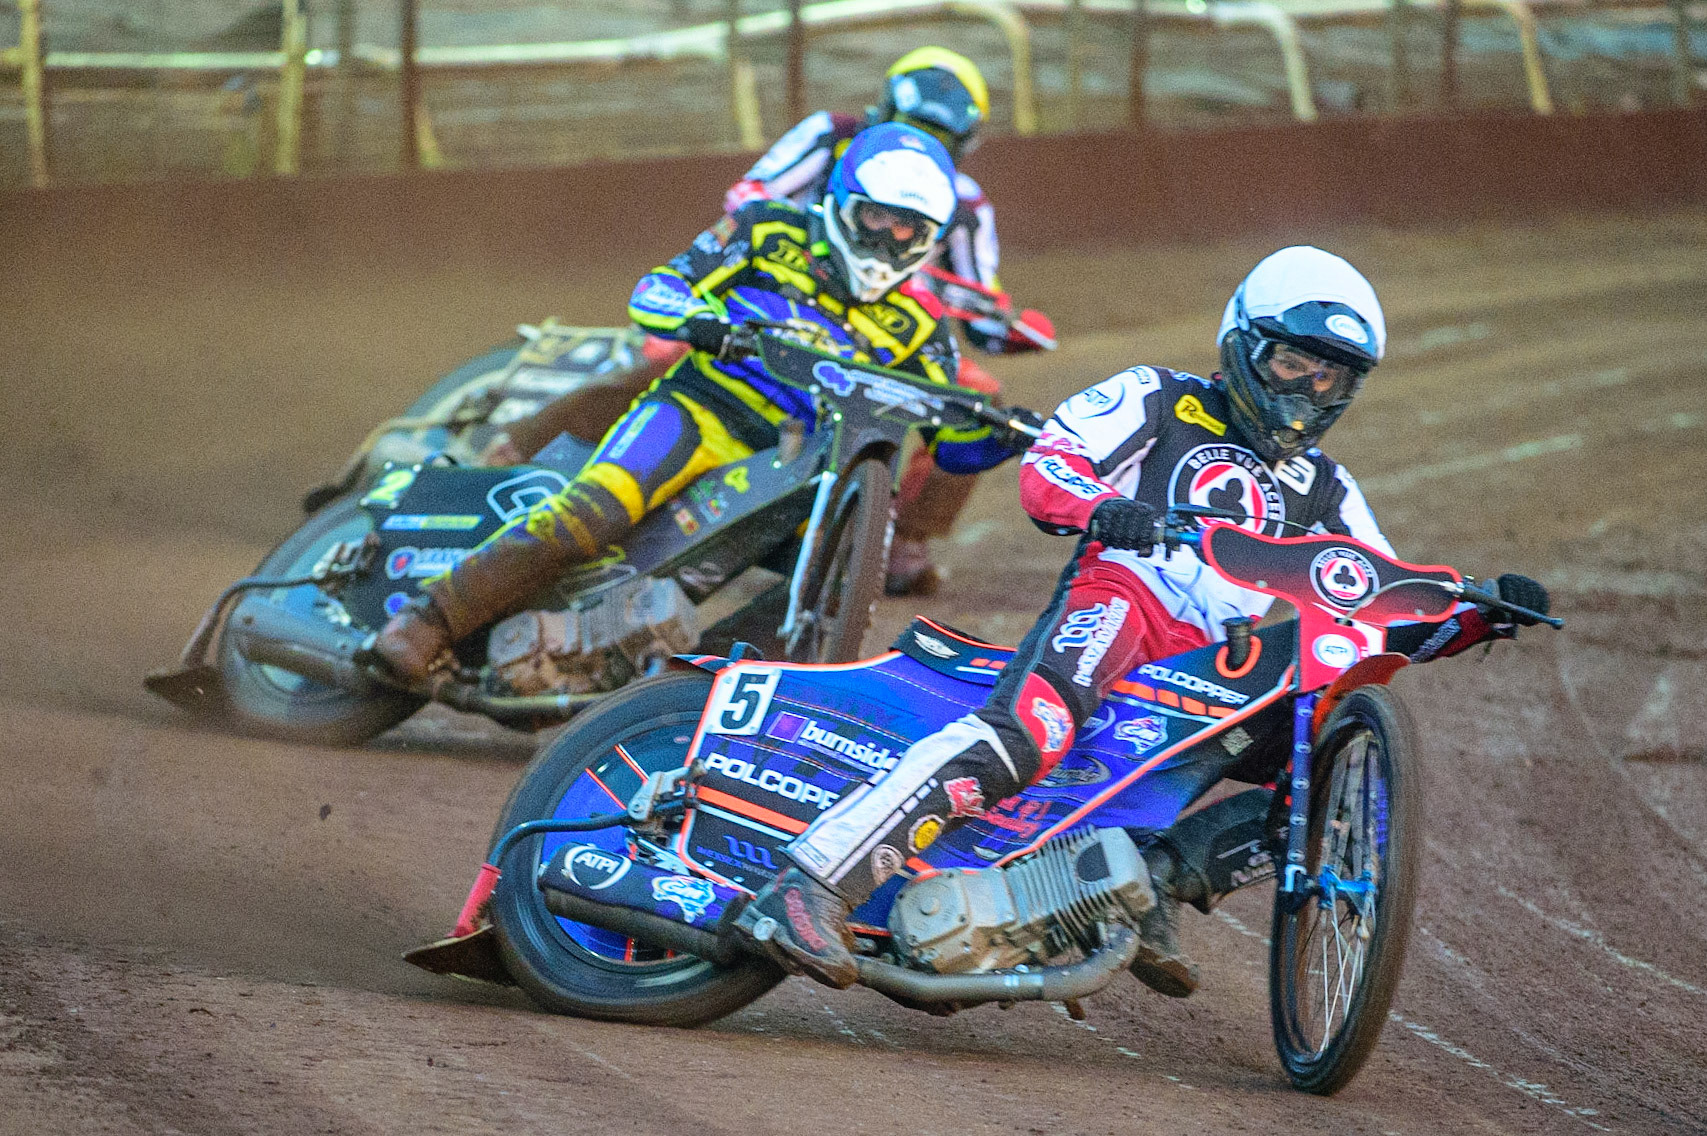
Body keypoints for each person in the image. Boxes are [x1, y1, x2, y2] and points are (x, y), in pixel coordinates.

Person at [738, 246, 1552, 993]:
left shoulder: (1326, 488)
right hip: (1120, 601)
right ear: (1242, 341)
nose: (1306, 387)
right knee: (1027, 730)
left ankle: (1154, 874)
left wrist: (1477, 615)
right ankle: (810, 882)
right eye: (1291, 359)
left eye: (1329, 377)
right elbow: (1050, 465)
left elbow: (1373, 593)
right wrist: (1108, 510)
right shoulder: (1157, 397)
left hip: (1208, 668)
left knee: (1318, 769)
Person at [374, 123, 1025, 682]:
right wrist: (700, 321)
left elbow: (953, 446)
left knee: (838, 580)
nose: (886, 239)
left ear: (930, 236)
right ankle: (429, 618)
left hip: (802, 467)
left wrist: (1000, 437)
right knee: (595, 511)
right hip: (702, 410)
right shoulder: (768, 231)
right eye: (875, 217)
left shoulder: (921, 326)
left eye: (906, 228)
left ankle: (681, 695)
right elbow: (657, 288)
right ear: (841, 203)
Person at [727, 46, 1053, 595]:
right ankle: (550, 440)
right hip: (783, 293)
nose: (922, 147)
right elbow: (747, 196)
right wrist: (812, 239)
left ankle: (902, 534)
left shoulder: (965, 205)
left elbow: (982, 309)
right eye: (912, 127)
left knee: (977, 402)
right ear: (884, 112)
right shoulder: (830, 136)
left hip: (887, 331)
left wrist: (1008, 326)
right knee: (666, 349)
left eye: (940, 139)